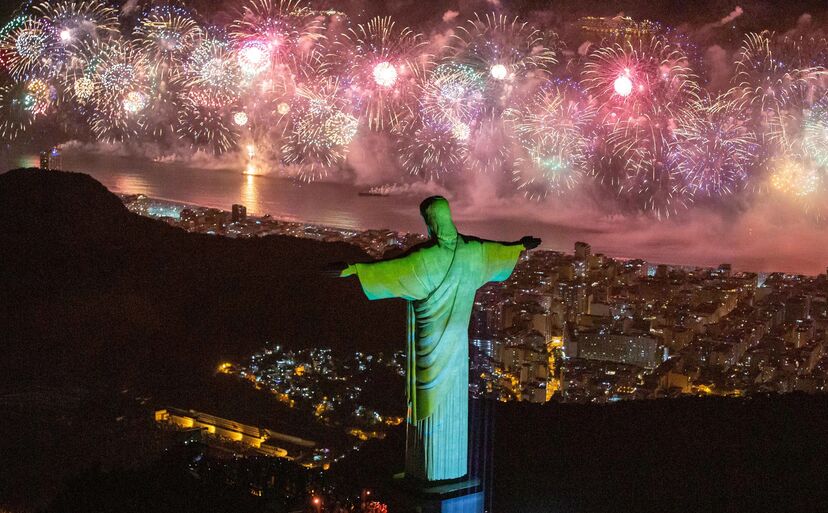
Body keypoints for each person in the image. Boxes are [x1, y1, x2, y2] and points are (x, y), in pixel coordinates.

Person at [334, 196, 540, 482]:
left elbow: (391, 272)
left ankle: (429, 471)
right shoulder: (474, 252)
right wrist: (520, 246)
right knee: (452, 404)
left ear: (430, 223)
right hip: (457, 350)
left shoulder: (426, 259)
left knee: (426, 404)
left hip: (429, 347)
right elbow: (498, 253)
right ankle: (450, 471)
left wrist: (354, 269)